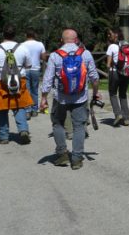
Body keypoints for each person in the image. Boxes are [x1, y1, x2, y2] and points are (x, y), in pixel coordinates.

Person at [40, 29, 99, 170]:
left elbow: (47, 79)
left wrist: (43, 98)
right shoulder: (85, 54)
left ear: (61, 40)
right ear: (77, 39)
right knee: (79, 126)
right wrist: (96, 92)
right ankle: (77, 159)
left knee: (58, 124)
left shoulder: (55, 56)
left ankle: (62, 154)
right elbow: (94, 77)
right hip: (80, 97)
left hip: (60, 98)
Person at [0, 26, 33, 145]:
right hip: (19, 81)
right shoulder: (23, 48)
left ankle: (4, 136)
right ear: (15, 35)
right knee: (19, 106)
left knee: (2, 108)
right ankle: (23, 130)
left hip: (0, 82)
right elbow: (29, 66)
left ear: (3, 34)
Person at [105, 27, 129, 127]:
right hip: (126, 73)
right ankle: (126, 118)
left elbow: (108, 64)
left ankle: (118, 114)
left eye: (110, 34)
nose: (108, 36)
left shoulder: (111, 47)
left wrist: (107, 71)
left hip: (115, 73)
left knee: (112, 94)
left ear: (116, 35)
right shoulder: (126, 44)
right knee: (123, 94)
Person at [20, 30, 46, 119]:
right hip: (36, 69)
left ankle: (27, 110)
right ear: (35, 35)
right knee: (35, 90)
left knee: (26, 90)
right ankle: (35, 110)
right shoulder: (40, 44)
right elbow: (43, 57)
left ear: (26, 35)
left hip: (25, 69)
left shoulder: (22, 45)